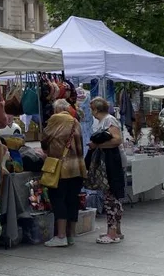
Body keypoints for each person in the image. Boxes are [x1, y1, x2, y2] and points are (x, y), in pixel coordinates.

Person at [41, 99, 87, 247]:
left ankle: (61, 236)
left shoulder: (56, 119)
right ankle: (70, 235)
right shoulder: (75, 121)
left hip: (61, 168)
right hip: (78, 168)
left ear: (57, 109)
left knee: (58, 199)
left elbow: (44, 139)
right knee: (72, 200)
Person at [89, 97, 126, 244]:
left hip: (111, 163)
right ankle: (116, 230)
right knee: (114, 196)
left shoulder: (108, 120)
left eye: (92, 108)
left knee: (110, 197)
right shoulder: (106, 121)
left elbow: (117, 139)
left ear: (96, 109)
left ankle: (112, 233)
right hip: (111, 162)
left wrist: (97, 146)